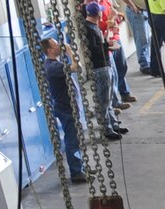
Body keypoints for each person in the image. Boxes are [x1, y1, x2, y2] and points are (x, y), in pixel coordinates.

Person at [40, 40, 89, 185]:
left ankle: (80, 167)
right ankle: (76, 172)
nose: (59, 46)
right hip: (66, 109)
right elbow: (77, 66)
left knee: (76, 138)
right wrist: (69, 50)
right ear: (49, 50)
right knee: (72, 140)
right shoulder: (53, 67)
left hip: (70, 107)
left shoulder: (56, 63)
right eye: (55, 45)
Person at [83, 3, 126, 139]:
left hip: (105, 64)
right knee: (104, 100)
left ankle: (113, 125)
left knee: (108, 99)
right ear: (98, 14)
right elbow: (94, 49)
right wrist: (108, 45)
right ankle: (107, 129)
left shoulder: (94, 27)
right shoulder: (88, 29)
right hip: (99, 68)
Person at [120, 0, 152, 72]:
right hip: (137, 11)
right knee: (142, 39)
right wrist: (133, 6)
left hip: (145, 11)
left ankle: (147, 62)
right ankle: (144, 65)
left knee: (146, 39)